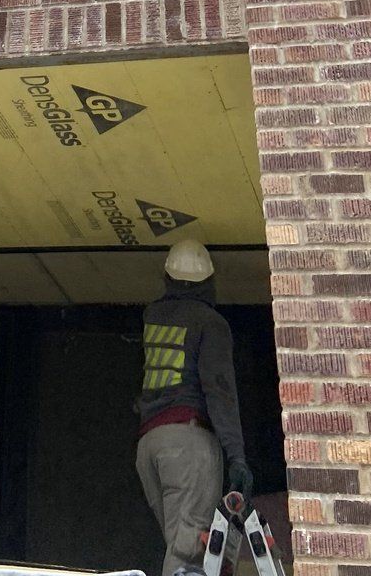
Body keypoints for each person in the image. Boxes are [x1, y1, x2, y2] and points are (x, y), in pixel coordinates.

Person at [135, 240, 251, 576]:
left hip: (150, 448)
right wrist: (237, 456)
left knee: (180, 543)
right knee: (191, 552)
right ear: (208, 282)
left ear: (168, 277)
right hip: (187, 444)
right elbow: (220, 392)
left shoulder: (152, 316)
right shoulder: (209, 323)